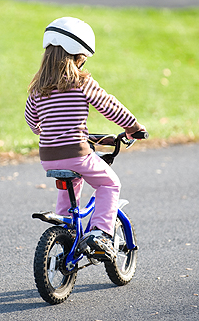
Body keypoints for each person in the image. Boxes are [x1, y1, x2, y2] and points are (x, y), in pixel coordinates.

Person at [25, 17, 146, 258]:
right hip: (76, 154)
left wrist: (49, 131)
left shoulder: (38, 88)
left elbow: (32, 121)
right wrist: (132, 126)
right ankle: (100, 233)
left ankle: (66, 228)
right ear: (78, 55)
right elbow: (109, 105)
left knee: (70, 185)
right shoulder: (81, 83)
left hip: (48, 157)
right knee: (109, 184)